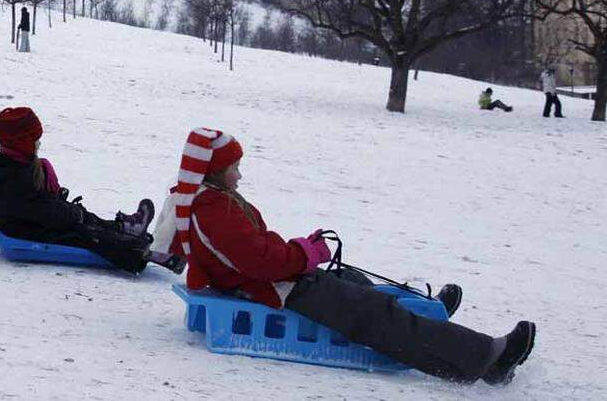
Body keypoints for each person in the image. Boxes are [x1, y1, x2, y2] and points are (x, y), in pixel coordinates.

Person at [151, 128, 536, 386]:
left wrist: (303, 251)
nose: (239, 175)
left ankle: (424, 310)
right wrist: (306, 253)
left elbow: (252, 252)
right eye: (234, 167)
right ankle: (487, 359)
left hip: (270, 280)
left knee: (354, 284)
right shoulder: (212, 209)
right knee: (373, 315)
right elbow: (258, 261)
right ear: (216, 170)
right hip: (272, 288)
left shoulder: (210, 200)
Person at [0, 106, 183, 274]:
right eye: (34, 140)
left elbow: (37, 204)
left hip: (26, 221)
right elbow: (35, 209)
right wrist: (68, 213)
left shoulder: (13, 166)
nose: (38, 143)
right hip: (21, 228)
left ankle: (125, 228)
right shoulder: (7, 176)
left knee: (81, 217)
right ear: (21, 143)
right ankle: (142, 252)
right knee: (85, 234)